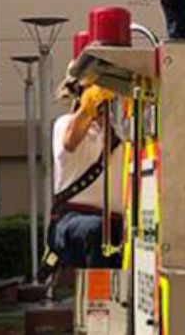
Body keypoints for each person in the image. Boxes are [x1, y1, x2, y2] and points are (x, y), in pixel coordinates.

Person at [48, 79, 126, 268]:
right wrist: (87, 108)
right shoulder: (65, 124)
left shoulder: (119, 133)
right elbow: (70, 141)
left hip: (115, 221)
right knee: (96, 231)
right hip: (73, 219)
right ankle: (99, 295)